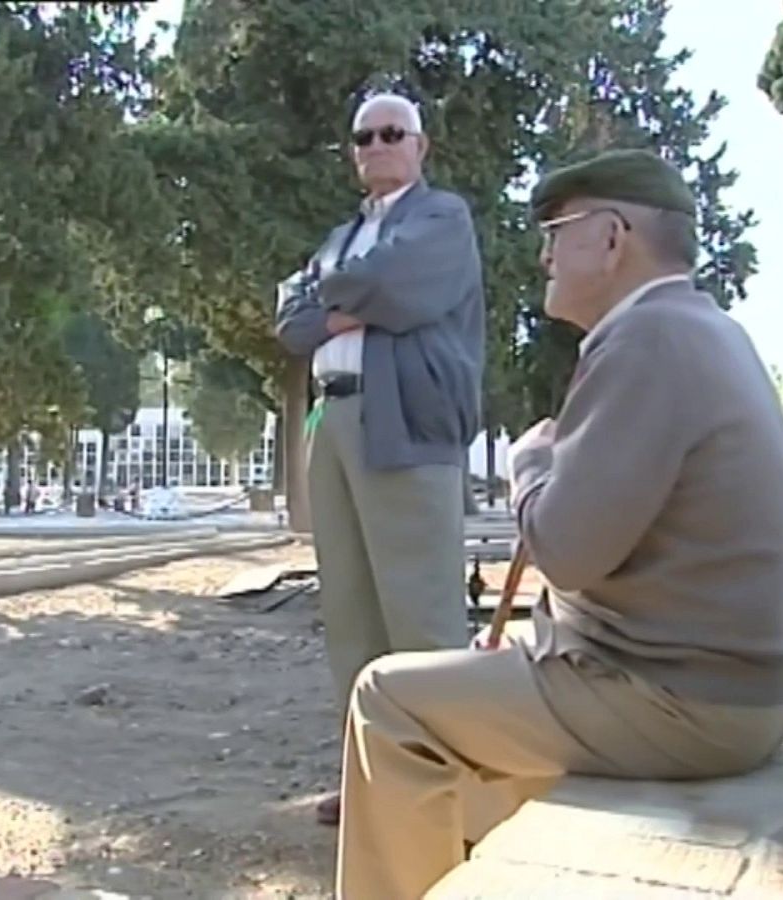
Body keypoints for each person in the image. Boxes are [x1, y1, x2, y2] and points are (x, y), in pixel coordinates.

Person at [331, 149, 783, 899]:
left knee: (387, 702)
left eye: (558, 230)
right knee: (475, 762)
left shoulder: (647, 339)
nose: (545, 254)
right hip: (731, 691)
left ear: (614, 237)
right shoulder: (701, 330)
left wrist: (529, 462)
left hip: (682, 703)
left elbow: (564, 551)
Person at [274, 92, 486, 826]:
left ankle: (446, 779)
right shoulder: (342, 236)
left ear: (420, 146)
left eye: (392, 133)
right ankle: (371, 771)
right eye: (364, 136)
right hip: (333, 418)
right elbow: (290, 322)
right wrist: (355, 302)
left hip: (406, 417)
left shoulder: (442, 218)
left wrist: (332, 296)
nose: (376, 145)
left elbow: (400, 284)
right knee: (351, 611)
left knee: (420, 608)